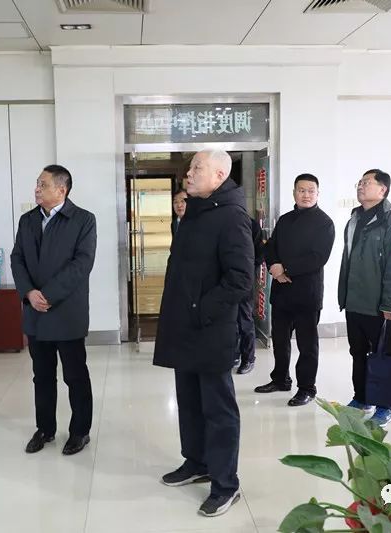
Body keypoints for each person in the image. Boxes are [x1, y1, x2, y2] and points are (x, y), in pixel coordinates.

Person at [154, 149, 253, 518]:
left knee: (218, 408)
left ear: (219, 175)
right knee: (190, 401)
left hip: (211, 328)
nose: (189, 174)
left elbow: (240, 279)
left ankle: (226, 483)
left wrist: (201, 309)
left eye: (198, 168)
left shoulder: (231, 217)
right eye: (191, 167)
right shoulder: (195, 211)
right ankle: (196, 461)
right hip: (185, 327)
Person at [11, 164, 97, 457]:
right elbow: (17, 258)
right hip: (35, 313)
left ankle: (80, 431)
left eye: (43, 184)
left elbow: (82, 264)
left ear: (62, 190)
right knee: (42, 376)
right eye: (37, 184)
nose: (37, 189)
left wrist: (47, 295)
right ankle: (45, 429)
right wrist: (29, 293)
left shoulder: (83, 220)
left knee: (75, 375)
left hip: (66, 312)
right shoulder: (27, 220)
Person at [338, 169, 391, 427]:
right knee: (358, 352)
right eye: (359, 182)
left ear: (383, 190)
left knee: (384, 356)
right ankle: (362, 397)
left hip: (379, 305)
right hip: (354, 302)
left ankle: (385, 405)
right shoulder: (354, 219)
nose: (360, 186)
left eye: (367, 183)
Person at [255, 173, 335, 405]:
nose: (306, 195)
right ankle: (280, 379)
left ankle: (307, 388)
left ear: (318, 194)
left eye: (311, 191)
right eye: (301, 190)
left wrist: (285, 268)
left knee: (307, 345)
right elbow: (271, 247)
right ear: (294, 193)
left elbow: (318, 257)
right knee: (280, 341)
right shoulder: (285, 220)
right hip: (281, 292)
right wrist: (274, 267)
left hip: (307, 294)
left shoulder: (324, 223)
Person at [234, 216, 264, 374]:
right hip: (225, 278)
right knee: (229, 318)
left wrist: (250, 270)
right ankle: (234, 354)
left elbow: (260, 253)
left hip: (245, 278)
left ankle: (248, 358)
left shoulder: (251, 224)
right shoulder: (220, 220)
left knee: (244, 317)